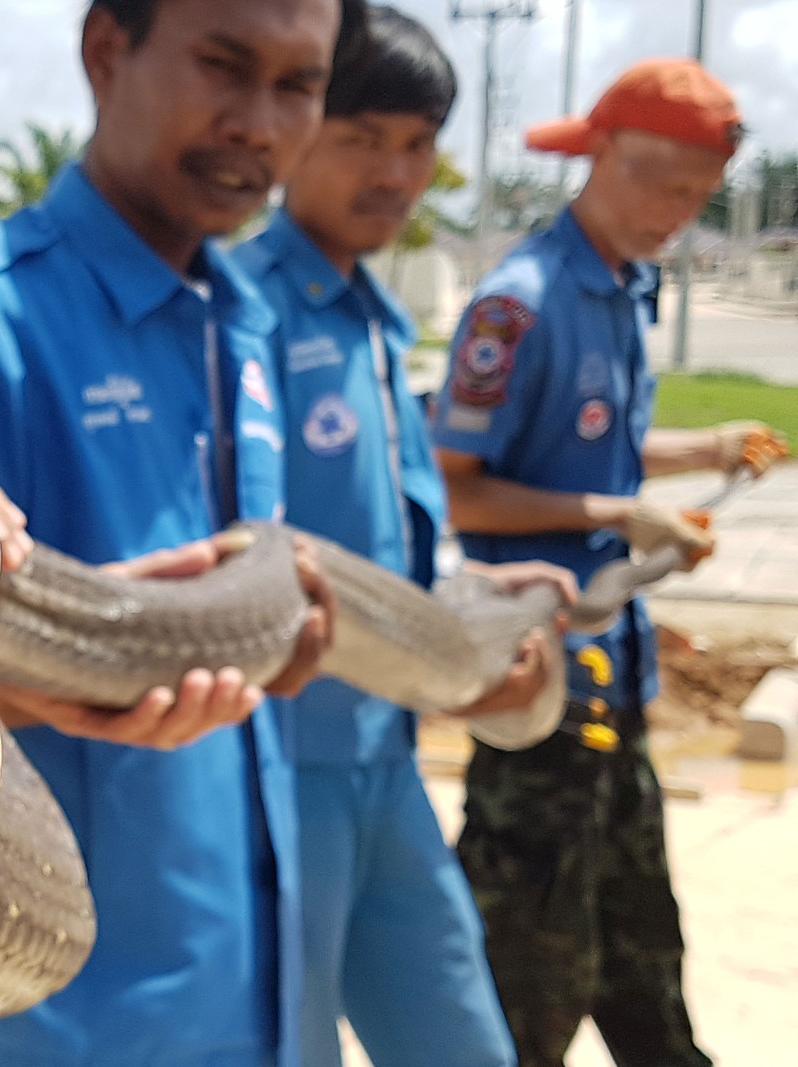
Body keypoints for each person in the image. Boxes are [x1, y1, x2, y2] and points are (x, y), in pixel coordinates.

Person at [0, 1, 362, 1063]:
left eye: (298, 84)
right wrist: (18, 683)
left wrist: (273, 645)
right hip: (57, 1016)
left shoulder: (243, 316)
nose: (259, 123)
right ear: (104, 49)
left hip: (244, 980)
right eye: (224, 64)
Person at [431, 59, 788, 1067]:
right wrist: (624, 514)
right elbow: (456, 482)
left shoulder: (627, 286)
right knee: (525, 978)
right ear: (595, 157)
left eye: (696, 194)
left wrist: (710, 449)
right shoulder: (518, 306)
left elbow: (590, 448)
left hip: (615, 677)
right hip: (534, 683)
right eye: (656, 182)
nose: (675, 212)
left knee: (644, 960)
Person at [232, 9, 574, 1064]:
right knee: (290, 1041)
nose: (394, 170)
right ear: (295, 136)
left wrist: (471, 593)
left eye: (417, 144)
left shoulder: (379, 324)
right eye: (360, 137)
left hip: (386, 755)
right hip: (276, 765)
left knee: (461, 1035)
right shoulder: (239, 309)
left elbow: (395, 540)